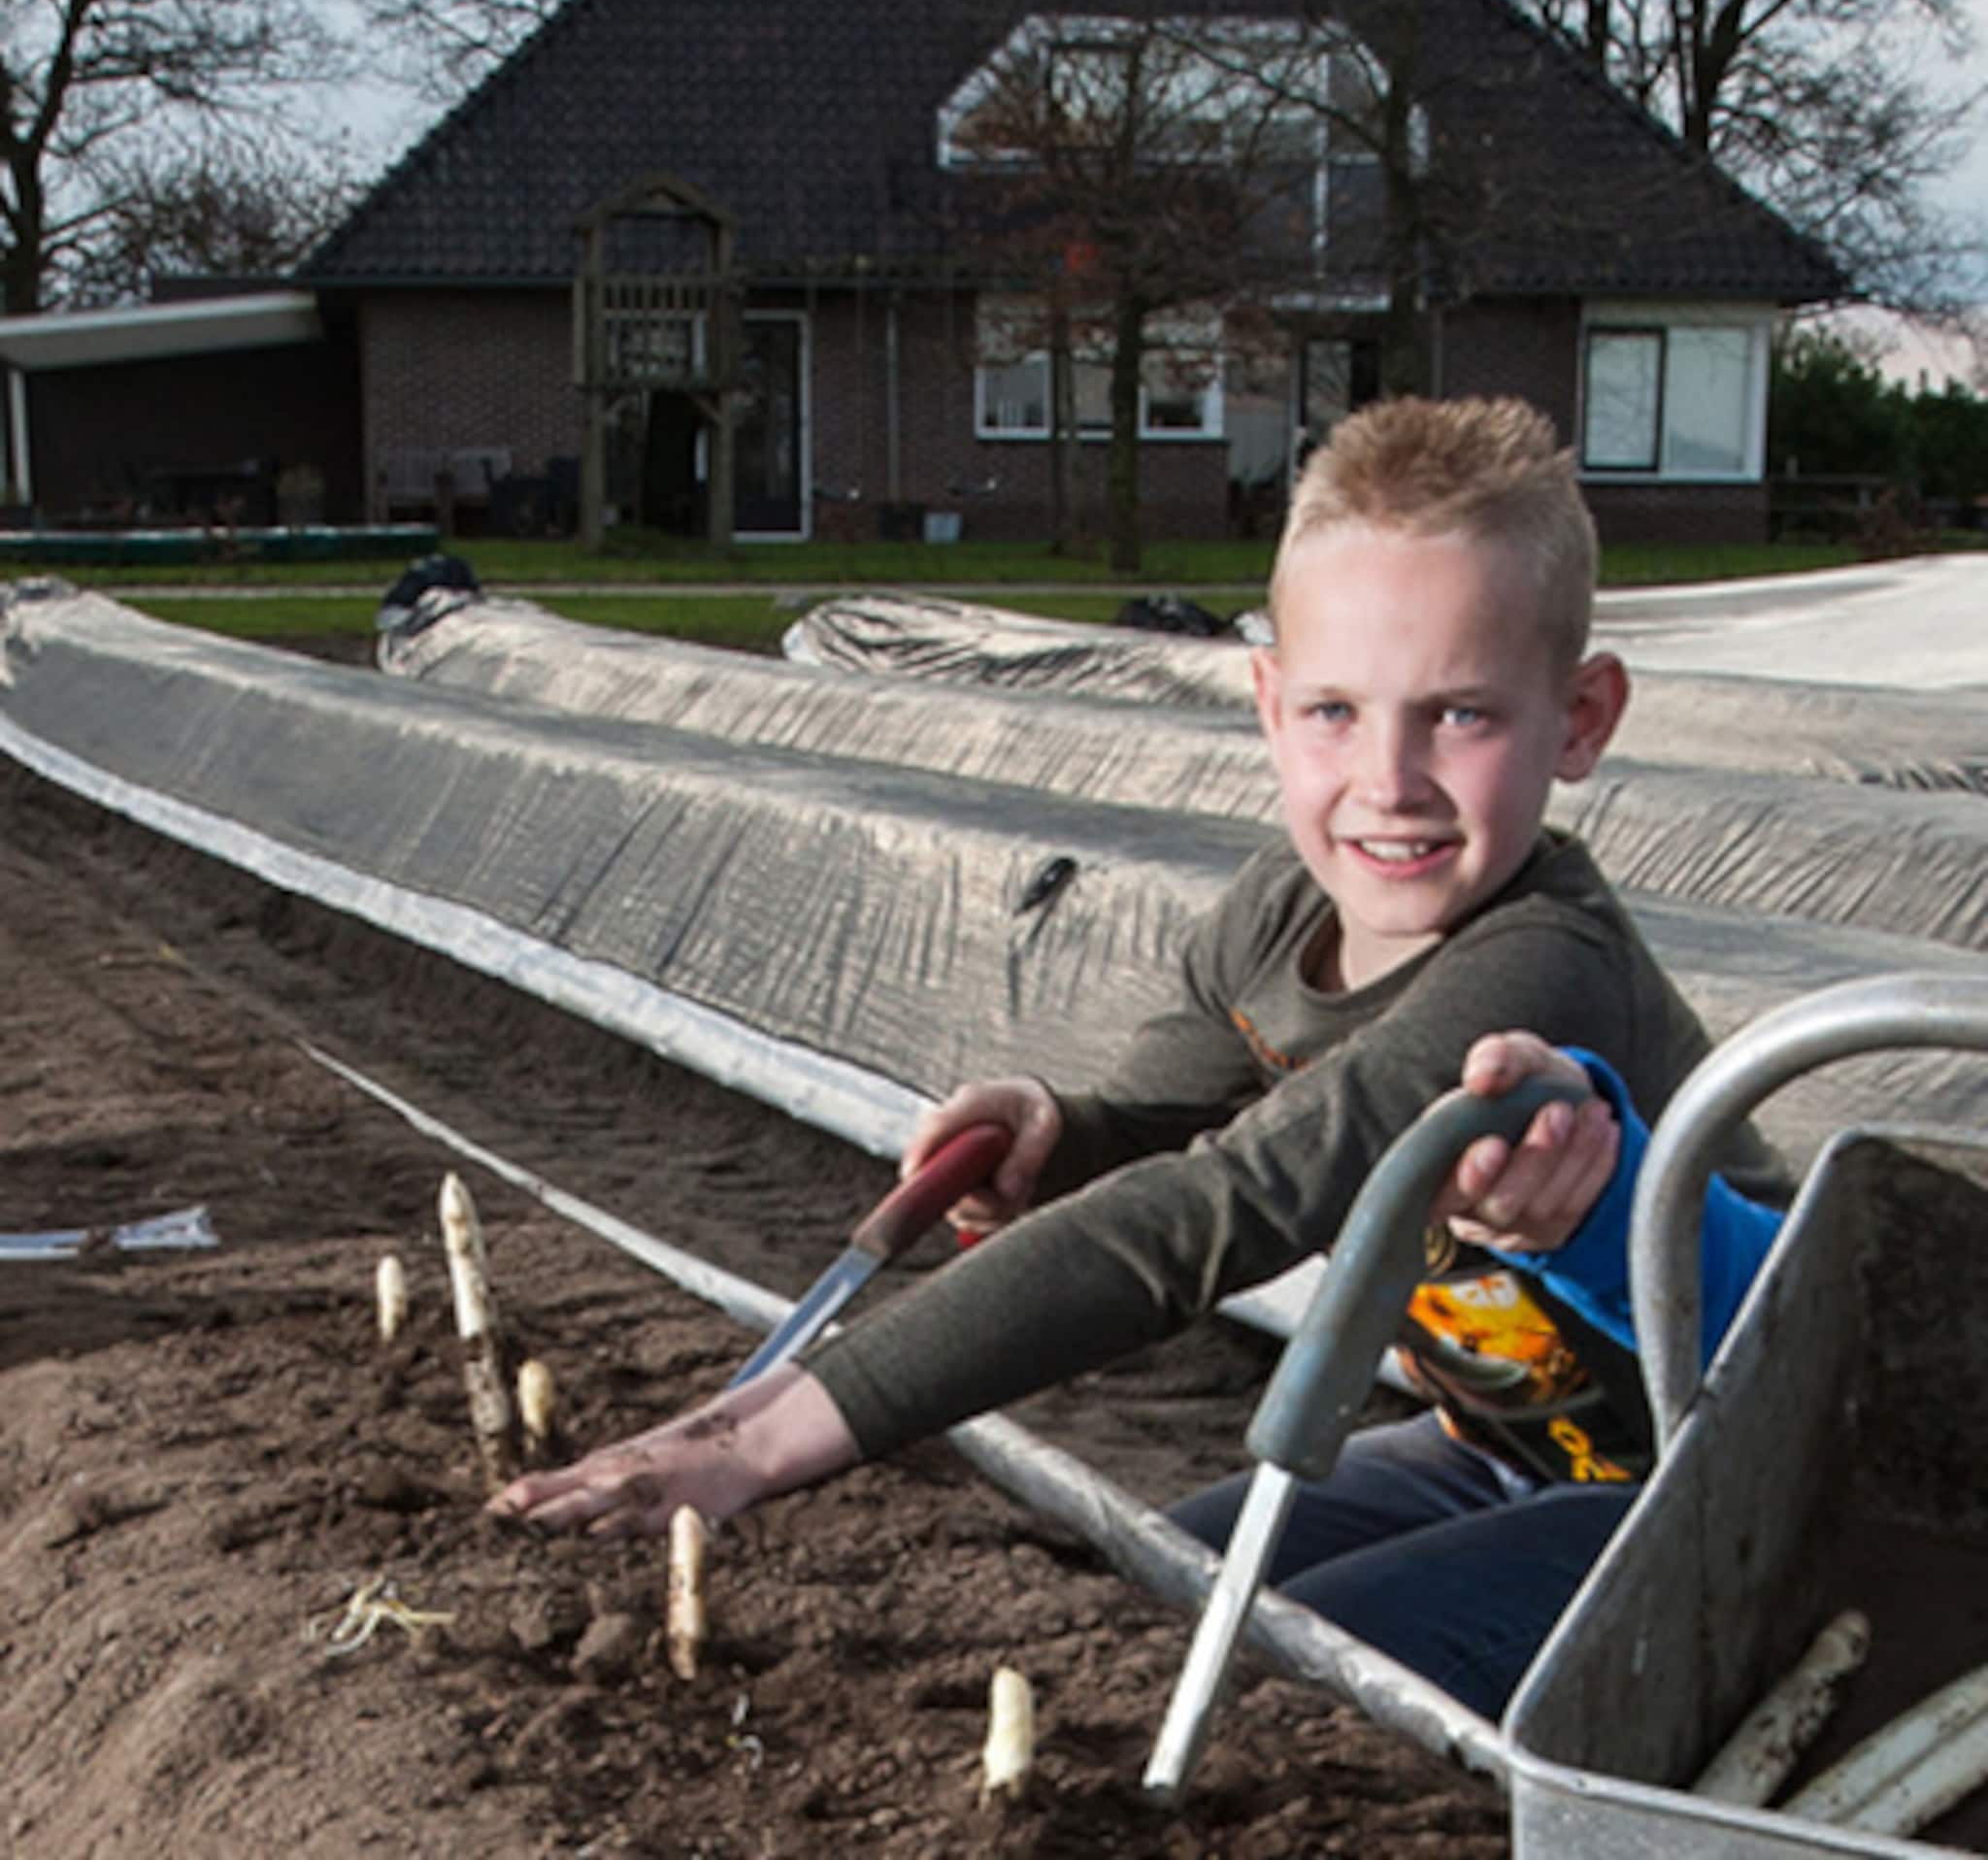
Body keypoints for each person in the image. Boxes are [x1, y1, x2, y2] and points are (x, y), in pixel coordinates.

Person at [494, 395, 1787, 1715]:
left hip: (1742, 1492)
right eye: (1337, 710)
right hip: (1499, 1445)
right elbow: (1156, 1128)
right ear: (1270, 706)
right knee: (1132, 1608)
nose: (1389, 780)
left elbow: (1215, 1210)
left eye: (1460, 716)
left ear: (1580, 718)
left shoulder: (1540, 965)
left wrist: (758, 1433)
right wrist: (1060, 1137)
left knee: (1273, 1692)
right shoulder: (1279, 914)